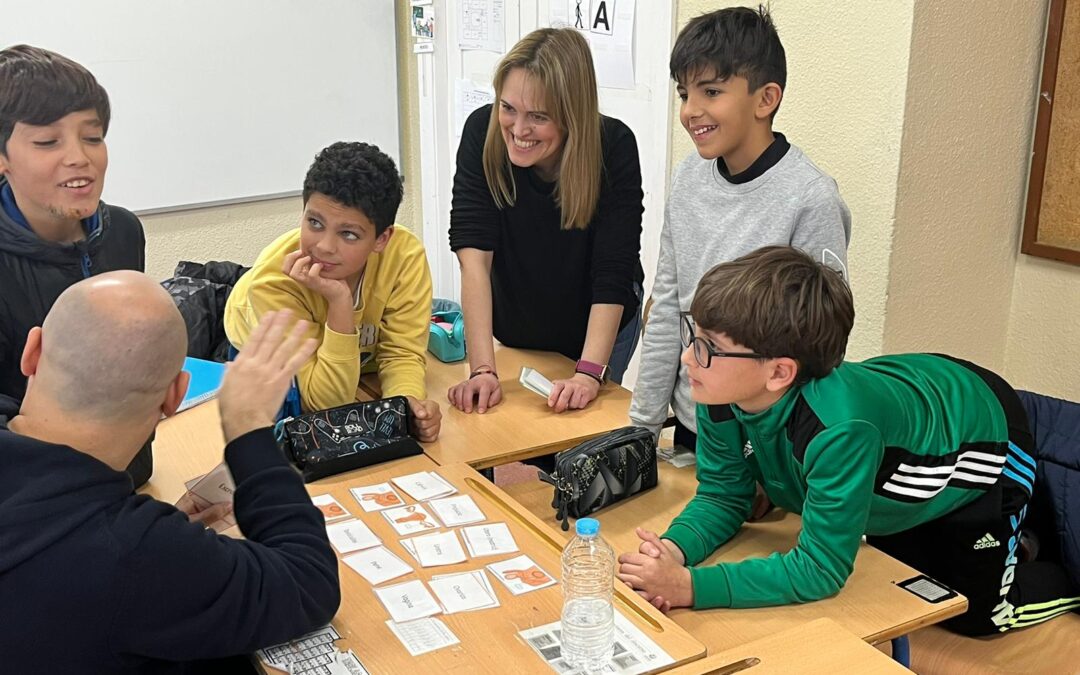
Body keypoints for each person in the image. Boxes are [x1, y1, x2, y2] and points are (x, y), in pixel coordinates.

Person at [617, 247, 1080, 636]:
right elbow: (724, 497)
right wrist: (672, 553)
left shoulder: (840, 431)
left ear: (779, 372)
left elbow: (821, 571)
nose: (687, 357)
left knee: (975, 615)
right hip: (910, 410)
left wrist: (692, 588)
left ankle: (1048, 560)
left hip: (984, 431)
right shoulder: (720, 391)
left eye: (708, 347)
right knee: (896, 567)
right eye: (693, 335)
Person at [0, 271, 341, 673]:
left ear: (33, 351)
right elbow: (309, 582)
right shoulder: (133, 555)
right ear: (175, 395)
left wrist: (163, 532)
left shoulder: (131, 547)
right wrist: (247, 427)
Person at [628, 6, 850, 453]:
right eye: (683, 93)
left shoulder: (811, 198)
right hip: (696, 425)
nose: (691, 111)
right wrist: (640, 429)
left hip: (770, 448)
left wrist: (778, 467)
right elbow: (669, 304)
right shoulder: (689, 177)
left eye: (711, 91)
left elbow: (820, 350)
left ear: (766, 99)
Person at [448, 27, 644, 415]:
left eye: (538, 117)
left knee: (579, 441)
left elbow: (613, 272)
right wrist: (482, 369)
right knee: (503, 423)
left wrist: (589, 373)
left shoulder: (614, 147)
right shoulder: (481, 133)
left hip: (595, 321)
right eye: (508, 108)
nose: (518, 131)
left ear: (572, 115)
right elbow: (474, 259)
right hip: (520, 316)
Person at [0, 44, 151, 484]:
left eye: (93, 136)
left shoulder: (123, 231)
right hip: (37, 506)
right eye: (48, 141)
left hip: (132, 481)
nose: (79, 158)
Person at [225, 141, 441, 441]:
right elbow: (325, 405)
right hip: (263, 354)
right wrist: (340, 302)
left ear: (382, 239)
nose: (324, 247)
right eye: (314, 222)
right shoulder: (274, 283)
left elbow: (401, 354)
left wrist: (406, 406)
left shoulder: (404, 255)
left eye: (348, 234)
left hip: (356, 361)